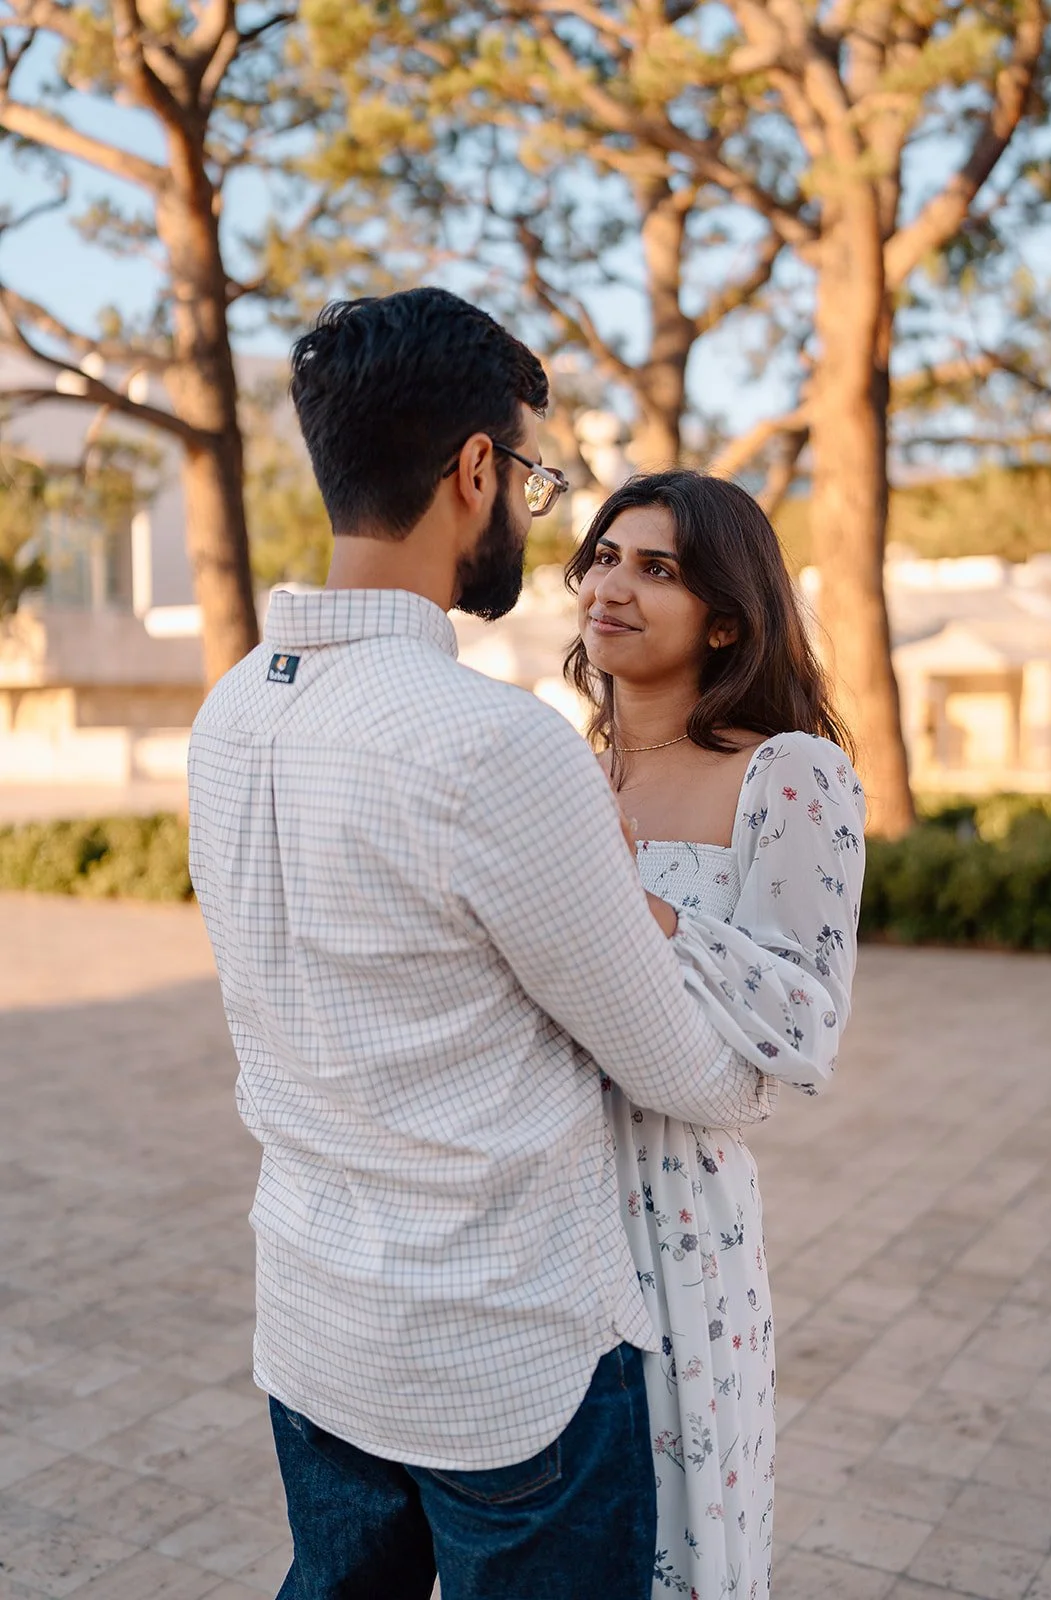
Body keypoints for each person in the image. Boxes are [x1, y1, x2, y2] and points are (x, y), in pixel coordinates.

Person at [187, 289, 787, 1600]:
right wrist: (762, 1066)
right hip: (503, 1364)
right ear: (473, 470)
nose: (530, 505)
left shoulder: (228, 714)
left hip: (313, 1325)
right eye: (528, 475)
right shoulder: (493, 745)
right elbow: (684, 1073)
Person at [564, 469, 866, 1600]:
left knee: (669, 1537)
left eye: (656, 569)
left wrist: (633, 898)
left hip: (675, 1216)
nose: (611, 586)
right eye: (602, 556)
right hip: (528, 1207)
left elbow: (804, 1022)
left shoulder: (786, 773)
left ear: (726, 620)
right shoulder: (564, 772)